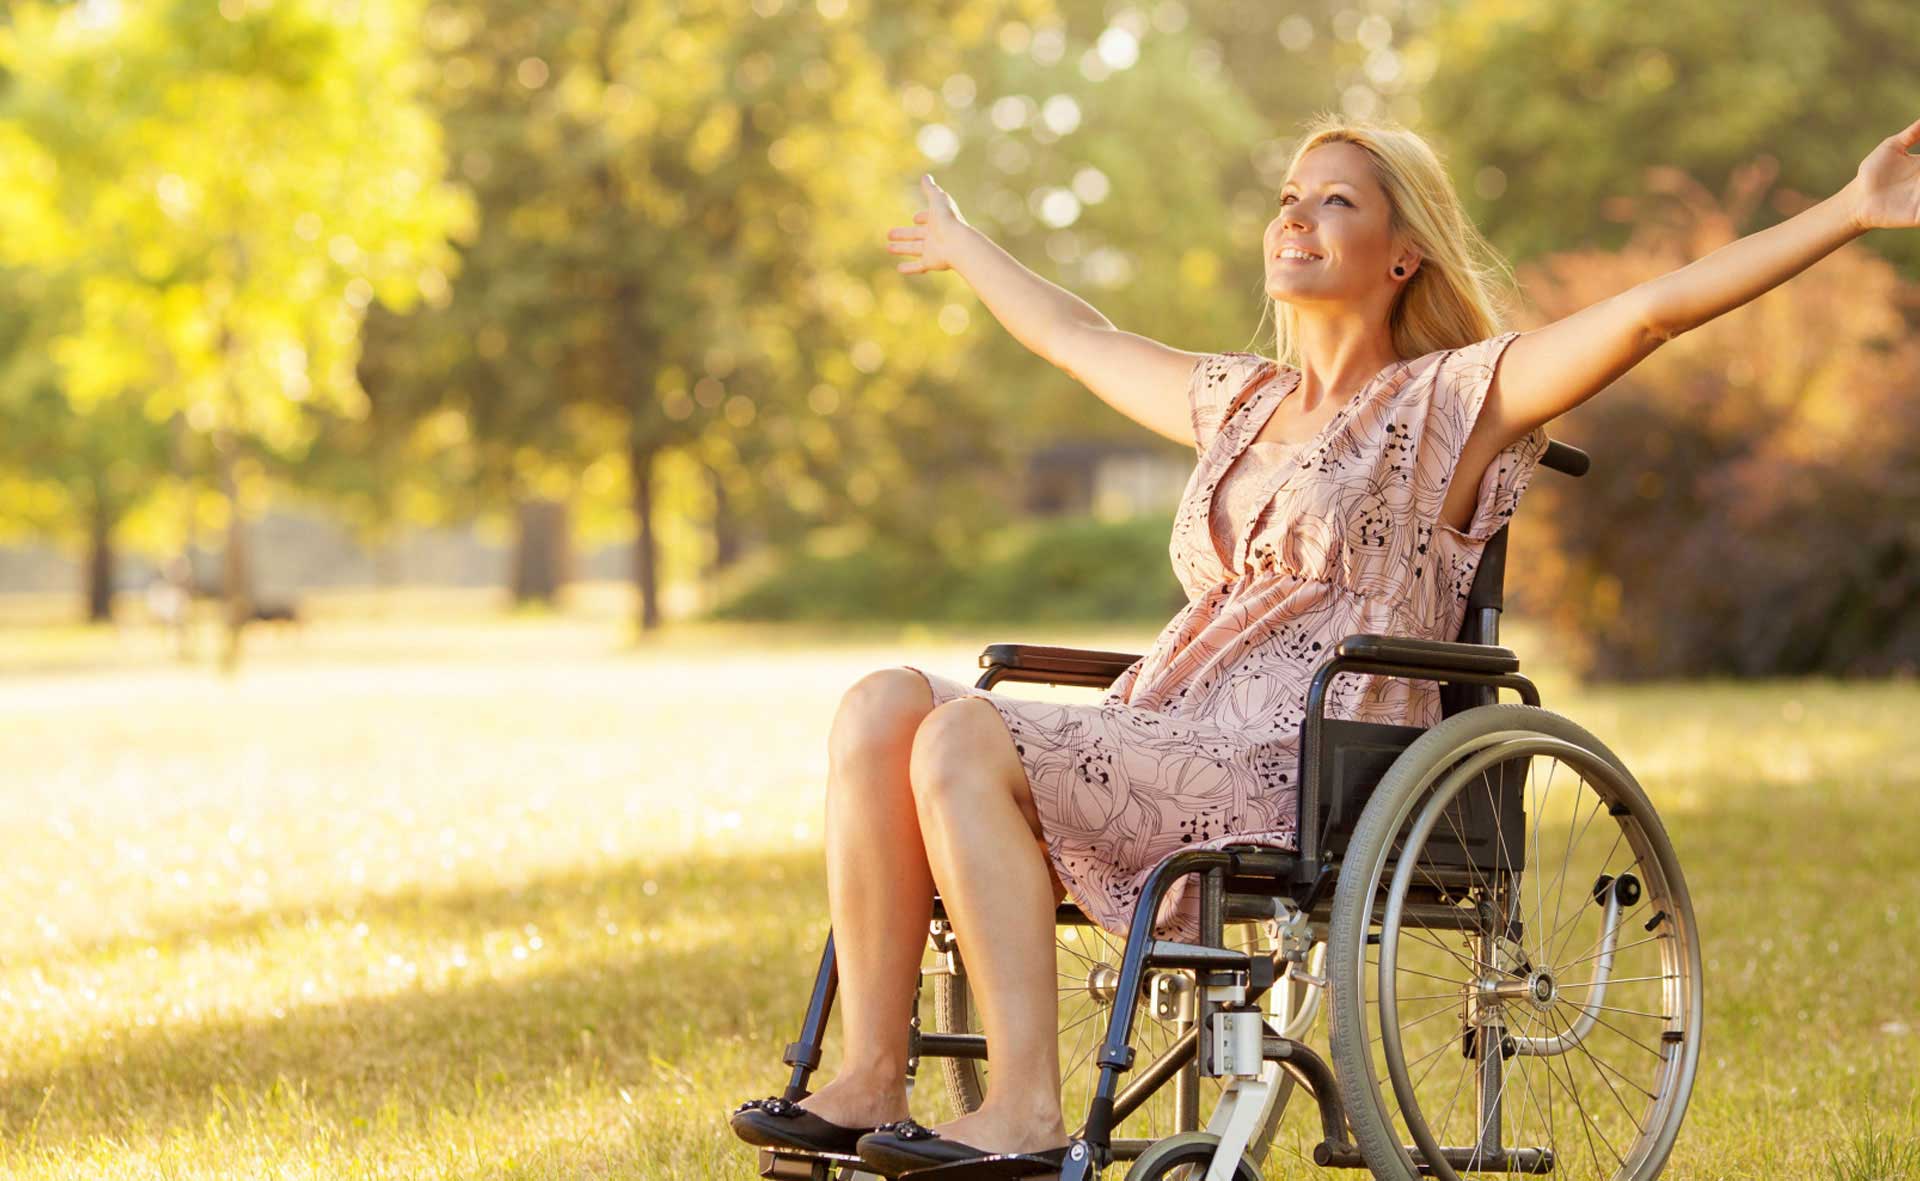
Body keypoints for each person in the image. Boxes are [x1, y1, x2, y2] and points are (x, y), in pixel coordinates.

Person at [731, 112, 1920, 1175]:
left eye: (1334, 198)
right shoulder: (1238, 403)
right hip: (1168, 721)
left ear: (1402, 253)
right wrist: (965, 244)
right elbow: (1071, 334)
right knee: (882, 703)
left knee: (957, 737)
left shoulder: (1455, 398)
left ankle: (1028, 1108)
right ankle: (871, 1074)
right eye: (1288, 196)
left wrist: (1852, 211)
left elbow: (1651, 313)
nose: (1294, 214)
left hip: (1302, 755)